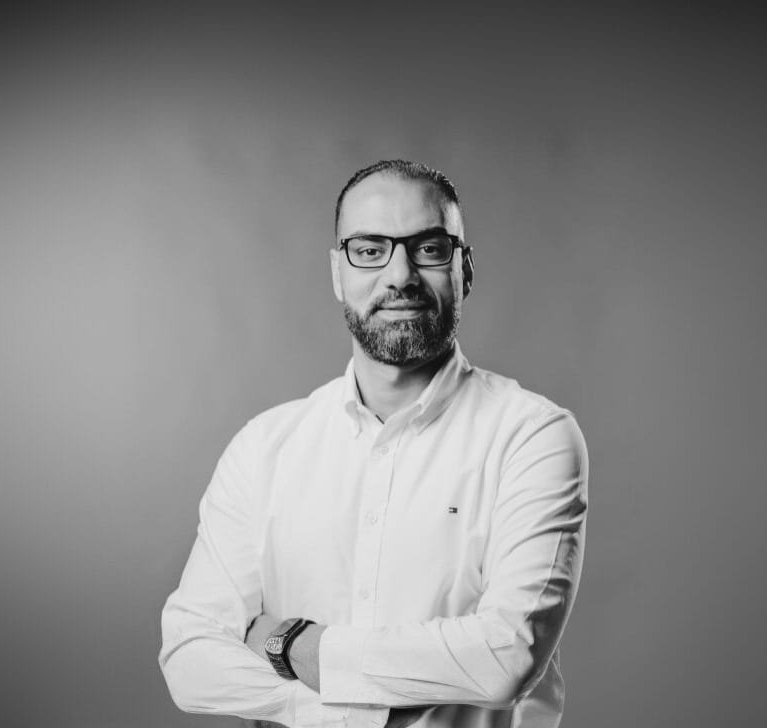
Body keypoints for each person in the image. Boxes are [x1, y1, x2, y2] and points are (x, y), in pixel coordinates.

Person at [159, 159, 588, 728]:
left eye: (429, 248)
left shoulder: (532, 436)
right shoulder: (263, 448)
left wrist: (290, 642)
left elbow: (506, 656)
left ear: (464, 269)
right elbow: (190, 657)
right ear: (338, 272)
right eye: (369, 249)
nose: (400, 275)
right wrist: (344, 715)